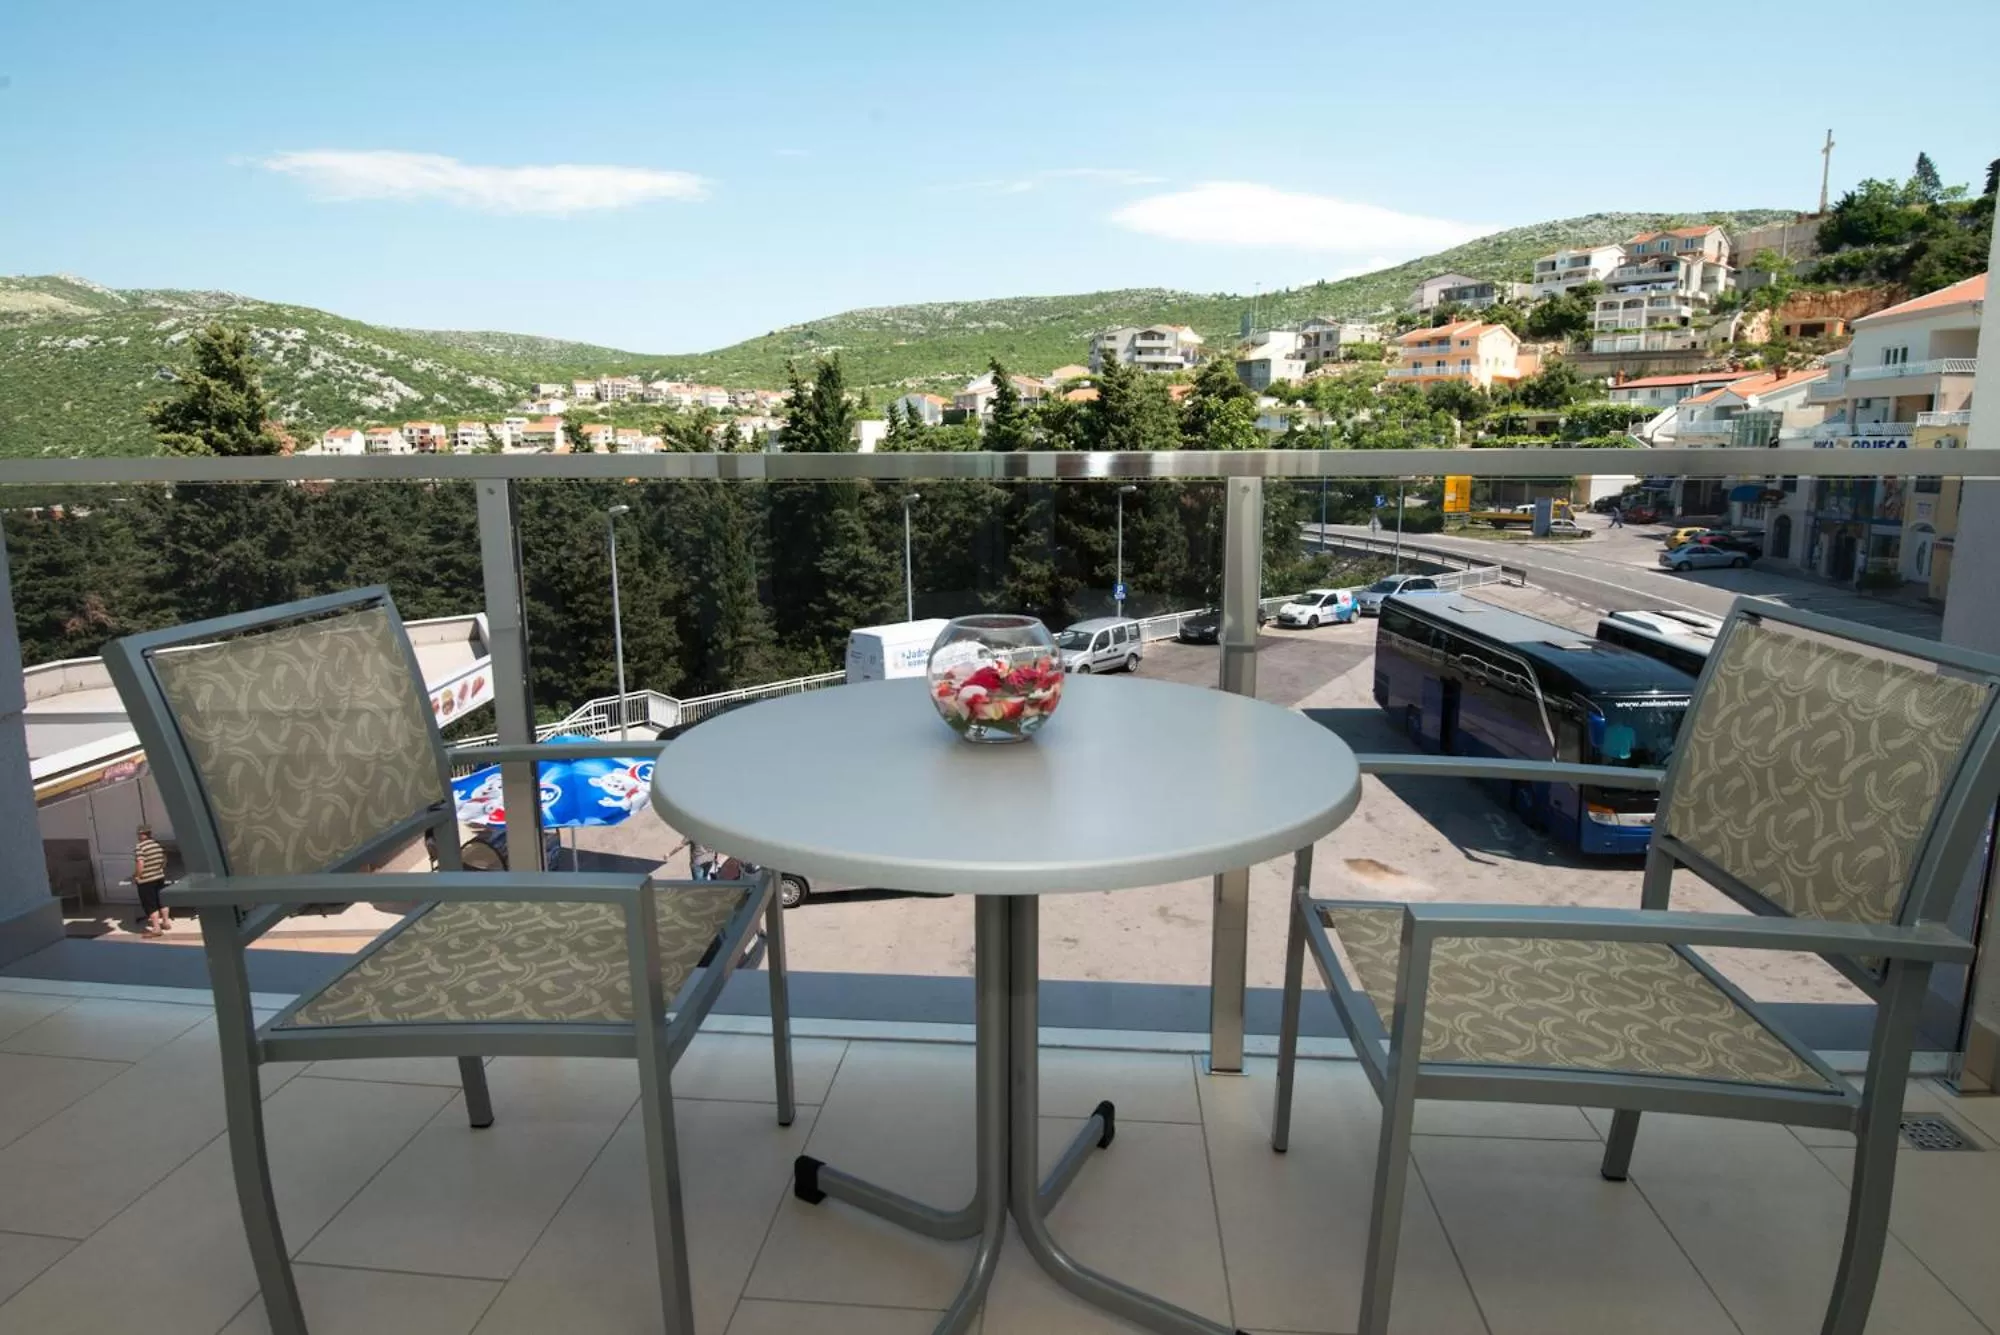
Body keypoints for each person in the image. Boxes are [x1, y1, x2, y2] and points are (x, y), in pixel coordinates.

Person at [133, 826, 170, 936]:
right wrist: (160, 868)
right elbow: (164, 859)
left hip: (146, 880)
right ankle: (166, 922)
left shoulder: (140, 847)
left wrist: (137, 876)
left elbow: (140, 863)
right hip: (159, 877)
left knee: (150, 904)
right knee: (162, 900)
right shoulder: (157, 844)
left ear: (141, 834)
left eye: (138, 834)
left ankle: (156, 929)